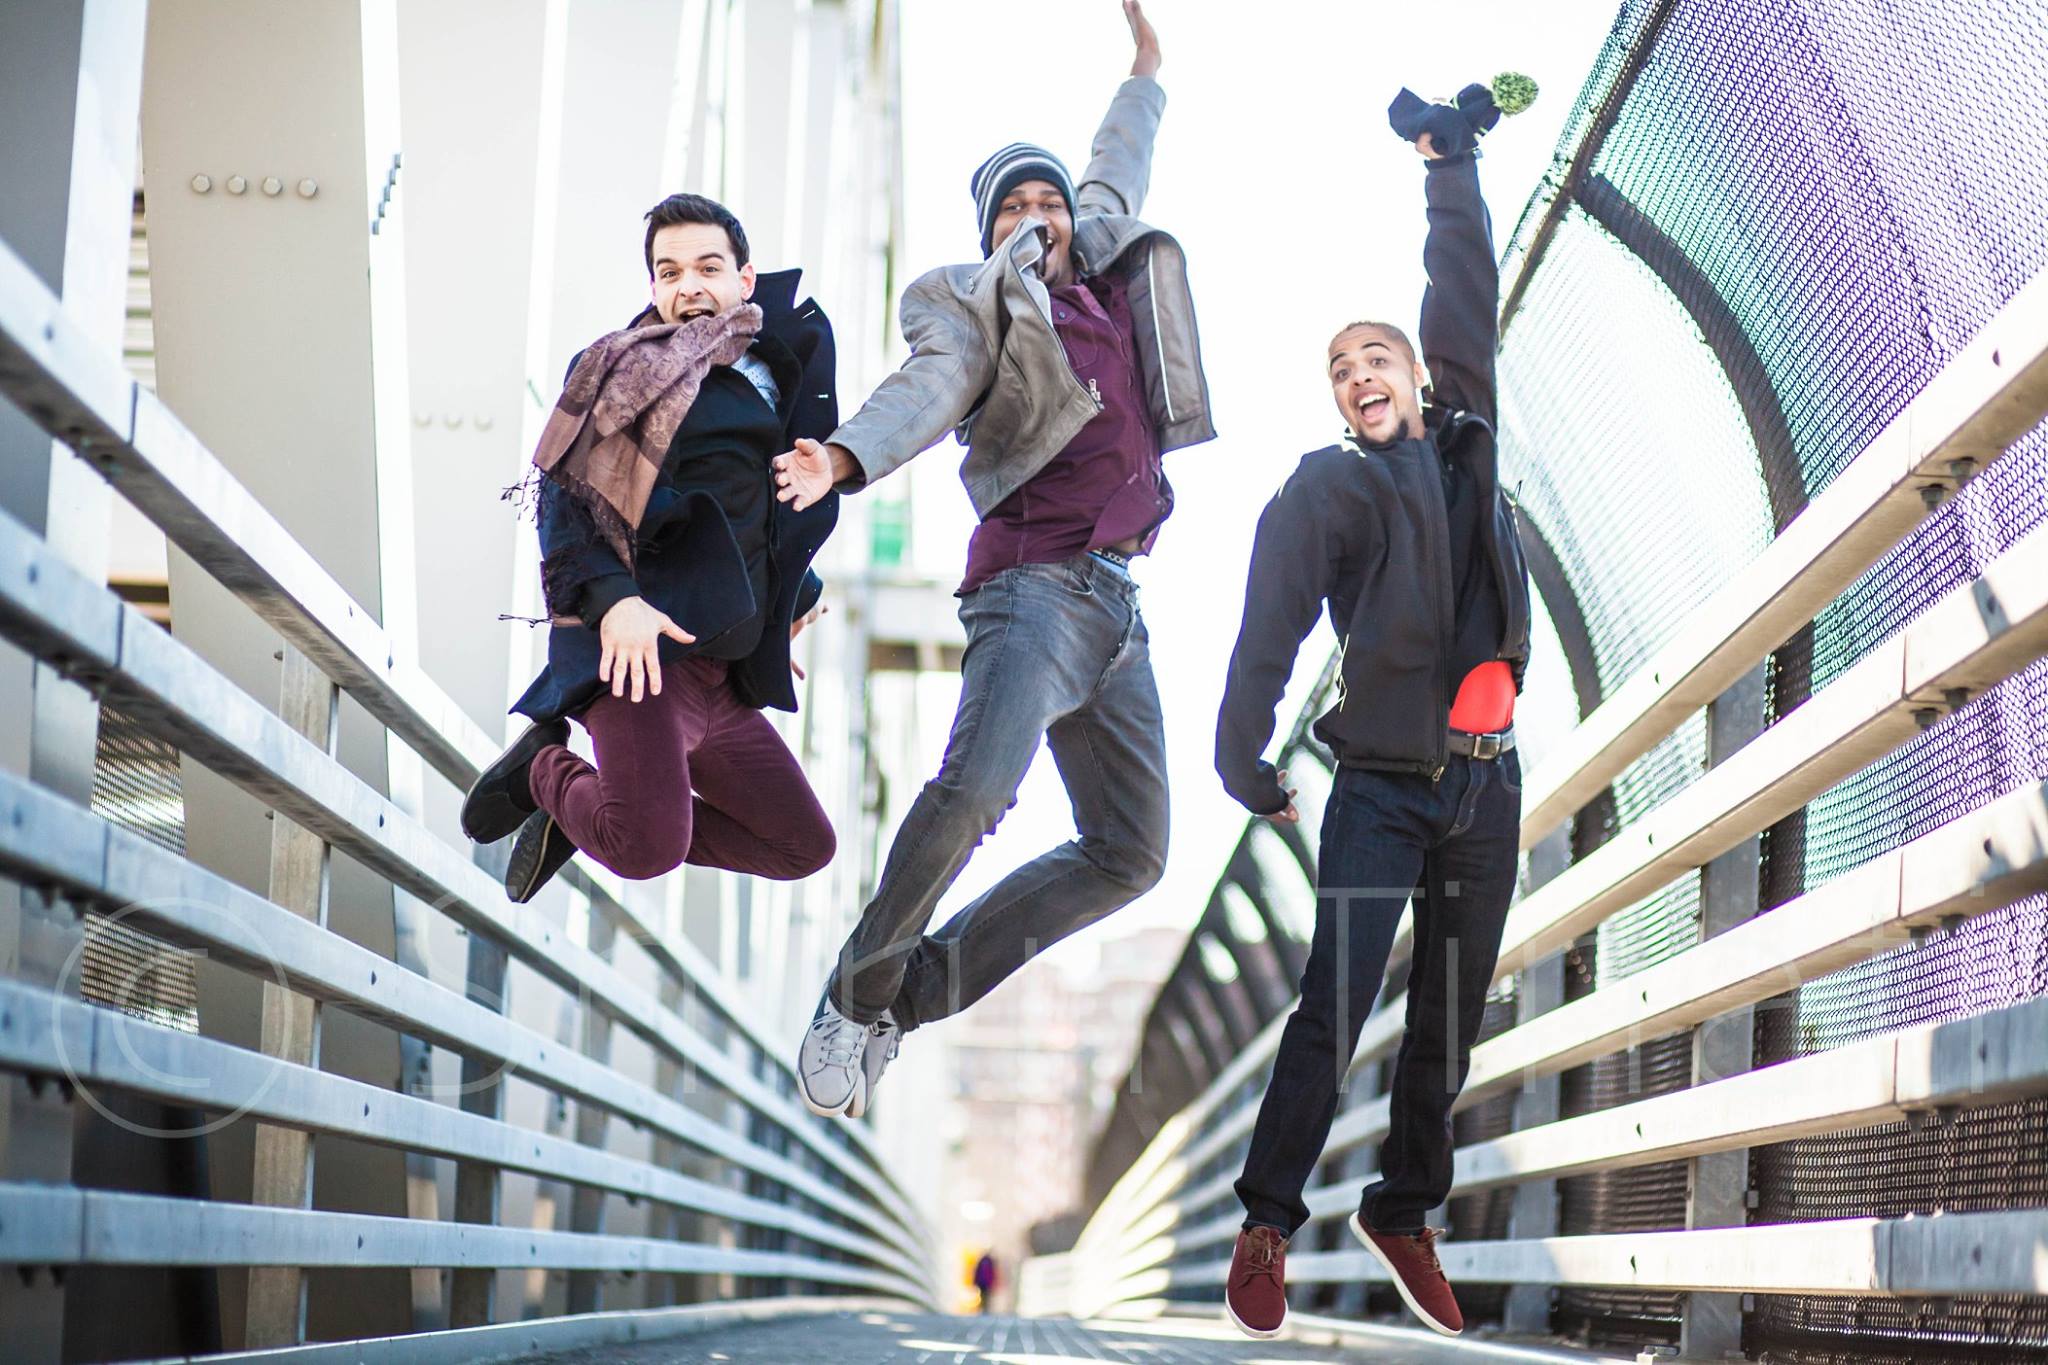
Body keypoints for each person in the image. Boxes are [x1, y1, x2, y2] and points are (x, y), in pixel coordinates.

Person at [771, 0, 1212, 1121]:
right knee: (976, 788)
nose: (1035, 216)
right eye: (1011, 207)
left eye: (1045, 201)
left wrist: (1146, 67)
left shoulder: (1101, 264)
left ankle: (905, 995)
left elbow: (1117, 164)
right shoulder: (969, 303)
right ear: (991, 233)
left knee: (1131, 851)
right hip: (1030, 592)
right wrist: (845, 456)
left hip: (1117, 612)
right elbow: (924, 387)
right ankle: (853, 992)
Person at [1213, 79, 1536, 1341]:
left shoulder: (1467, 438)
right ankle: (1267, 1223)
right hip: (1383, 788)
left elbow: (1459, 295)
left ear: (1413, 375)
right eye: (1340, 369)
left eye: (1376, 357)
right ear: (1335, 402)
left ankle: (1403, 1209)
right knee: (1335, 1002)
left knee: (1449, 1017)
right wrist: (1241, 755)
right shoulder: (1328, 492)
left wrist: (1444, 159)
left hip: (1488, 777)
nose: (1361, 373)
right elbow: (1266, 626)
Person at [460, 193, 840, 908]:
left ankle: (604, 809)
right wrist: (615, 603)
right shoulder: (623, 367)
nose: (688, 286)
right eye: (668, 273)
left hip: (722, 678)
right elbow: (564, 504)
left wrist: (791, 600)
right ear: (655, 289)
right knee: (646, 847)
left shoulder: (769, 377)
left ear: (745, 280)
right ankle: (542, 768)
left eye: (707, 266)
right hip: (641, 660)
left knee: (803, 844)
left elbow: (747, 514)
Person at [972, 1250, 999, 1314]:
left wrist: (975, 1281)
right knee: (985, 1296)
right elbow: (991, 1273)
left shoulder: (982, 1261)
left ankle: (984, 1308)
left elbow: (977, 1272)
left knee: (984, 1295)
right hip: (985, 1282)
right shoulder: (990, 1262)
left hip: (982, 1282)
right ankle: (984, 1308)